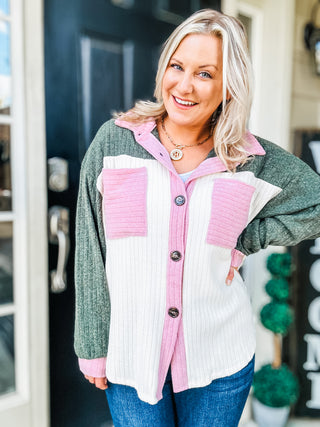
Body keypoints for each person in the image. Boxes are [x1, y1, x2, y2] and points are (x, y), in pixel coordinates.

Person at [74, 8, 320, 427]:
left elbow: (314, 203)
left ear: (229, 86)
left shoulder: (249, 158)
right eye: (177, 66)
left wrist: (248, 238)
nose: (184, 86)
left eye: (205, 74)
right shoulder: (114, 142)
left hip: (218, 360)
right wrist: (91, 345)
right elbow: (89, 247)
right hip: (131, 360)